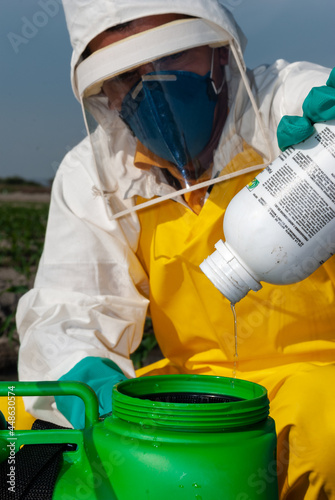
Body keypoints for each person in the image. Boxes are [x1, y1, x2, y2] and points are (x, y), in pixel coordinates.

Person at [16, 0, 335, 498]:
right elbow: (71, 310)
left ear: (218, 52)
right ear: (106, 92)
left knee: (323, 438)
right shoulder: (98, 172)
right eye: (127, 76)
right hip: (196, 393)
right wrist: (90, 386)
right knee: (23, 428)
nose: (154, 90)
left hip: (321, 379)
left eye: (171, 61)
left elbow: (307, 100)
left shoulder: (283, 106)